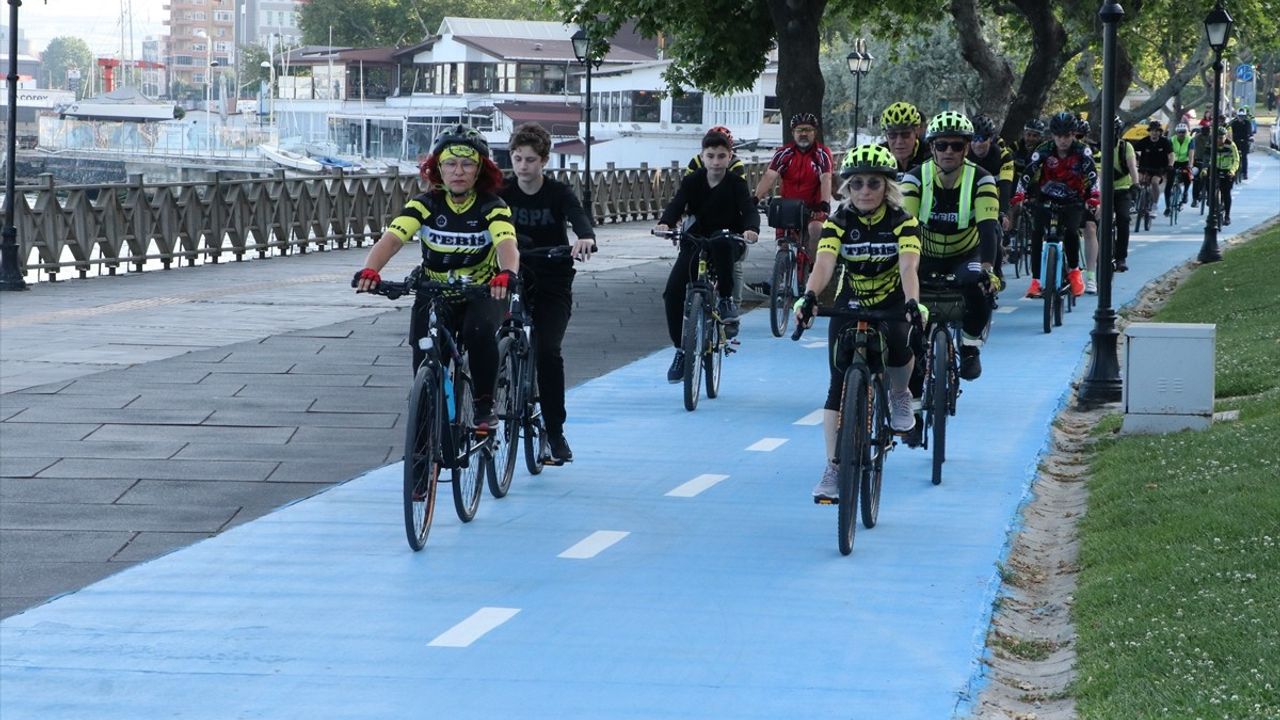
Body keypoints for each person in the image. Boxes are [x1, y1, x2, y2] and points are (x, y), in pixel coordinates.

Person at [354, 125, 519, 431]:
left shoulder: (492, 207)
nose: (458, 171)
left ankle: (485, 404)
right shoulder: (424, 204)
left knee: (479, 332)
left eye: (467, 164)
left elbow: (507, 245)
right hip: (434, 290)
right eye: (450, 164)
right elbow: (391, 240)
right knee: (423, 350)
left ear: (480, 169)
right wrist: (370, 270)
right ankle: (425, 433)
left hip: (482, 292)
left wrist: (507, 274)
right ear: (437, 168)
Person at [793, 144, 922, 500]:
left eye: (874, 184)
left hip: (893, 298)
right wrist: (810, 296)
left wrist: (913, 303)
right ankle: (834, 466)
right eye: (857, 184)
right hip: (852, 299)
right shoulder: (838, 222)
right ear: (846, 189)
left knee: (899, 343)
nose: (865, 190)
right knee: (837, 381)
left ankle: (899, 394)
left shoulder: (903, 222)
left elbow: (909, 265)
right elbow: (824, 265)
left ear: (887, 188)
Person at [499, 122, 596, 464]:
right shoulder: (501, 192)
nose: (522, 166)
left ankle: (554, 432)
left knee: (548, 351)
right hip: (510, 275)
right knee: (489, 336)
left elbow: (578, 216)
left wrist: (584, 237)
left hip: (553, 277)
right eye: (517, 158)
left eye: (529, 160)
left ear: (543, 161)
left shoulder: (558, 193)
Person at [901, 111, 1001, 381]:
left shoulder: (982, 179)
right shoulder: (914, 178)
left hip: (966, 252)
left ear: (966, 148)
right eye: (941, 145)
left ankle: (969, 346)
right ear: (931, 147)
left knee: (977, 284)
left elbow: (988, 229)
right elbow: (905, 227)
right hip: (925, 253)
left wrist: (988, 268)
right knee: (904, 295)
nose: (949, 151)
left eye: (957, 145)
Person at [659, 131, 760, 381]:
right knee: (672, 292)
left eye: (721, 156)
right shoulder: (692, 181)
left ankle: (726, 299)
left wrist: (751, 229)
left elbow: (748, 209)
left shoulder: (736, 183)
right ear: (702, 157)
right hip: (697, 241)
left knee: (724, 242)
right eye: (711, 156)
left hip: (728, 240)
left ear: (730, 157)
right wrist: (665, 222)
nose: (716, 162)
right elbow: (677, 204)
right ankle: (681, 349)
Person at [1012, 111, 1101, 299]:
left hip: (1073, 199)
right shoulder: (1044, 149)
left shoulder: (1082, 150)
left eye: (1067, 135)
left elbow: (1093, 176)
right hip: (1046, 198)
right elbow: (1027, 173)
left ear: (1073, 134)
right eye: (1059, 136)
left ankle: (1075, 272)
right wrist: (1020, 194)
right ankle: (1036, 281)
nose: (1063, 140)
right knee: (1036, 234)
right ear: (1052, 135)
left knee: (1071, 231)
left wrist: (1094, 196)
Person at [754, 112, 834, 250]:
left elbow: (826, 178)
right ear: (793, 132)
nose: (803, 134)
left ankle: (813, 268)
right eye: (799, 130)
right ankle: (783, 267)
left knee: (815, 230)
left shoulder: (822, 153)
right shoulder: (784, 153)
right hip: (789, 208)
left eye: (808, 130)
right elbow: (769, 176)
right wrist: (755, 199)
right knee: (784, 245)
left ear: (814, 132)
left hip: (814, 209)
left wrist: (824, 204)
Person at [1108, 116, 1141, 273]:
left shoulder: (1125, 147)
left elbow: (1132, 167)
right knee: (1097, 222)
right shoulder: (1099, 147)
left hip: (1122, 189)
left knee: (1123, 219)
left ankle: (1121, 257)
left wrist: (1135, 184)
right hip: (1103, 191)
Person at [1132, 120, 1173, 218]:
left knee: (1154, 182)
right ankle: (1134, 202)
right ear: (1149, 131)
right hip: (1144, 167)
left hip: (1159, 168)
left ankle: (1154, 206)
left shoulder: (1164, 142)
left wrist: (1170, 165)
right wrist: (1135, 162)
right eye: (1152, 131)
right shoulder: (1144, 141)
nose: (1154, 133)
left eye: (1157, 131)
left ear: (1160, 132)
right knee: (1137, 180)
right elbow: (1132, 151)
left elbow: (1171, 155)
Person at [879, 101, 931, 176]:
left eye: (905, 134)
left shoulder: (929, 154)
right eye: (892, 135)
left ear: (916, 132)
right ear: (886, 136)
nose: (899, 141)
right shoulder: (879, 157)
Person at [1212, 126, 1241, 225]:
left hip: (1227, 170)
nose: (1220, 140)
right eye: (1218, 137)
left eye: (1222, 137)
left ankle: (1227, 216)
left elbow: (1236, 160)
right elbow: (1206, 157)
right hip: (1215, 169)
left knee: (1226, 193)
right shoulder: (1211, 145)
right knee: (1210, 187)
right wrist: (1205, 169)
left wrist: (1232, 171)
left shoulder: (1231, 145)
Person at [1164, 123, 1195, 212]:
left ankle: (1185, 192)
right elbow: (1168, 154)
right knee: (1169, 184)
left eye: (1183, 132)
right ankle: (1167, 207)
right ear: (1176, 132)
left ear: (1187, 132)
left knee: (1187, 176)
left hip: (1185, 162)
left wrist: (1190, 165)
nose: (1181, 134)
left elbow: (1191, 154)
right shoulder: (1171, 140)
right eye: (1179, 132)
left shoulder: (1190, 140)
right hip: (1173, 162)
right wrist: (1168, 165)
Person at [1189, 124, 1212, 209]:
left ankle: (1209, 198)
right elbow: (1192, 149)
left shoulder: (1212, 138)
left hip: (1209, 162)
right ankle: (1195, 199)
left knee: (1210, 179)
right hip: (1198, 161)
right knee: (1196, 179)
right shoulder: (1196, 138)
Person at [1229, 109, 1253, 181]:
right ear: (1237, 116)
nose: (1241, 118)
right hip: (1236, 141)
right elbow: (1230, 131)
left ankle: (1245, 173)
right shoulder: (1234, 123)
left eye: (1242, 116)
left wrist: (1251, 137)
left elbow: (1249, 132)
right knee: (1234, 156)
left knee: (1244, 157)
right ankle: (1233, 172)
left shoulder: (1247, 123)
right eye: (1239, 116)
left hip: (1245, 141)